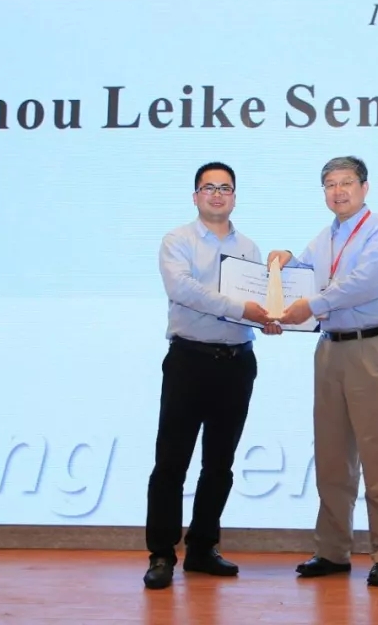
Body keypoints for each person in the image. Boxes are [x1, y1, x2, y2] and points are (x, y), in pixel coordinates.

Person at [269, 155, 378, 587]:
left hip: (373, 348)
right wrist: (283, 264)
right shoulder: (325, 237)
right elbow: (302, 276)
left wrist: (311, 304)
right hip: (330, 349)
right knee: (332, 456)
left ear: (365, 187)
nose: (338, 191)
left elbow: (364, 284)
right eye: (330, 184)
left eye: (347, 182)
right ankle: (332, 551)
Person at [143, 161, 280, 590]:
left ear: (235, 197)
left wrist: (271, 318)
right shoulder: (177, 241)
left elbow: (260, 300)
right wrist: (242, 309)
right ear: (195, 196)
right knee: (171, 462)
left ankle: (202, 548)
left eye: (225, 188)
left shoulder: (249, 247)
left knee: (220, 464)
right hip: (189, 360)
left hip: (237, 363)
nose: (217, 194)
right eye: (209, 187)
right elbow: (184, 290)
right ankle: (162, 554)